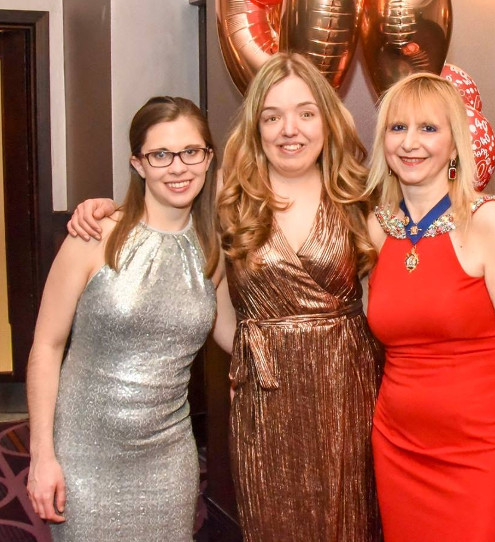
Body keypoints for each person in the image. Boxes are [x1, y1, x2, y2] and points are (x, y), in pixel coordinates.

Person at [66, 53, 382, 542]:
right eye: (271, 117)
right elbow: (163, 215)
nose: (288, 129)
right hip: (266, 397)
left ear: (327, 118)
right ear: (255, 128)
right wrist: (103, 208)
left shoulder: (361, 196)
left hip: (349, 390)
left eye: (304, 113)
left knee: (351, 521)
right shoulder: (228, 199)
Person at [26, 96, 222, 541]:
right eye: (160, 155)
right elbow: (47, 347)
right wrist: (42, 455)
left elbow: (231, 332)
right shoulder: (93, 236)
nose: (178, 167)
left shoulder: (213, 248)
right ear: (138, 164)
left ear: (208, 159)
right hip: (85, 455)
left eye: (192, 152)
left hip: (168, 460)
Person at [365, 72, 495, 542]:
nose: (410, 143)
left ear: (455, 143)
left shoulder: (489, 222)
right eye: (397, 128)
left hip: (478, 451)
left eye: (429, 128)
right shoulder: (377, 229)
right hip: (396, 445)